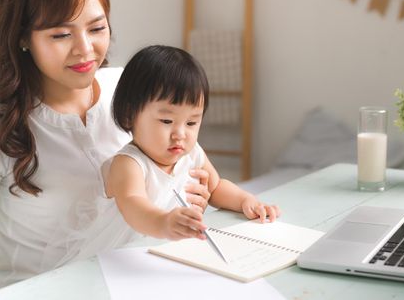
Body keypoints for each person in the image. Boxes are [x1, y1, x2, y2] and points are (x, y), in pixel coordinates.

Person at [0, 0, 211, 299]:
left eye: (97, 28)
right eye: (61, 34)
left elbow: (179, 163)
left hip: (134, 284)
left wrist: (187, 189)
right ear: (23, 38)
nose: (85, 49)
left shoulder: (129, 91)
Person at [102, 45, 281, 244]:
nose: (180, 134)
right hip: (121, 250)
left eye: (191, 123)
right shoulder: (129, 164)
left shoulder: (192, 153)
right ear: (129, 115)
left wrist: (246, 201)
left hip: (163, 247)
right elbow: (133, 206)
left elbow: (216, 187)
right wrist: (164, 222)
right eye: (167, 121)